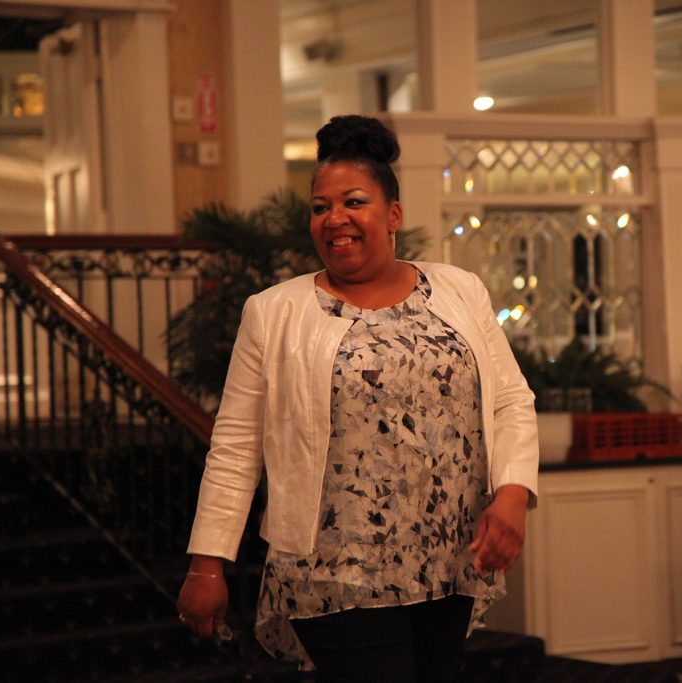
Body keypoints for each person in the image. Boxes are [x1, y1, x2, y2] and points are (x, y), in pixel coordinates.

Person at [176, 114, 539, 682]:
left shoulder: (459, 289)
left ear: (393, 215)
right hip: (335, 569)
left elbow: (511, 401)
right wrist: (206, 564)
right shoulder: (274, 313)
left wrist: (513, 495)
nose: (335, 219)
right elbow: (236, 445)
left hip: (448, 561)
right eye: (321, 208)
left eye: (353, 202)